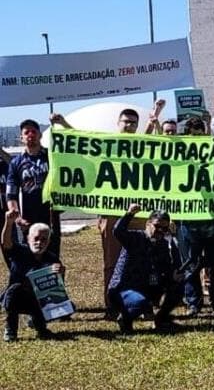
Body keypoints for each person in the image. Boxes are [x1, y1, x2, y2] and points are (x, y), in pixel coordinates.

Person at [51, 108, 141, 316]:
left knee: (137, 260)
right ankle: (111, 305)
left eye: (133, 123)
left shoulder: (141, 146)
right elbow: (83, 144)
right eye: (126, 122)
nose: (129, 126)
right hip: (111, 212)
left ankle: (135, 303)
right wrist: (64, 124)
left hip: (136, 213)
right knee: (112, 261)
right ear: (118, 123)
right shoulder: (107, 145)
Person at [178, 116, 214, 316]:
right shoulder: (179, 160)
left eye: (200, 135)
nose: (197, 139)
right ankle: (193, 304)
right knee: (191, 265)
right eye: (193, 136)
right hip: (189, 222)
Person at [108, 204, 183, 334]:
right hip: (123, 288)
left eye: (164, 229)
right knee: (140, 302)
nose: (160, 231)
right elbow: (117, 231)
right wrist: (129, 214)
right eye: (157, 226)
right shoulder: (134, 238)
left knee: (178, 286)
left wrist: (173, 275)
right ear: (148, 224)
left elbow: (165, 267)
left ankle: (161, 318)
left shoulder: (163, 244)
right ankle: (125, 320)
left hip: (147, 285)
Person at [1, 209, 62, 341]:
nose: (39, 242)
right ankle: (11, 329)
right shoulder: (19, 251)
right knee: (14, 289)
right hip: (15, 299)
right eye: (36, 238)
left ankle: (41, 327)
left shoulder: (52, 259)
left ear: (49, 242)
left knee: (47, 297)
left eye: (44, 239)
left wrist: (61, 273)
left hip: (37, 300)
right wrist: (9, 222)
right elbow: (6, 243)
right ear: (28, 239)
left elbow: (57, 289)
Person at [5, 119, 60, 256]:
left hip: (50, 215)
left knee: (52, 255)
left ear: (40, 135)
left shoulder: (52, 156)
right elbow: (11, 194)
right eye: (26, 132)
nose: (30, 134)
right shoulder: (16, 163)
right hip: (28, 218)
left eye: (34, 131)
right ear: (21, 138)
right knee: (29, 257)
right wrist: (17, 217)